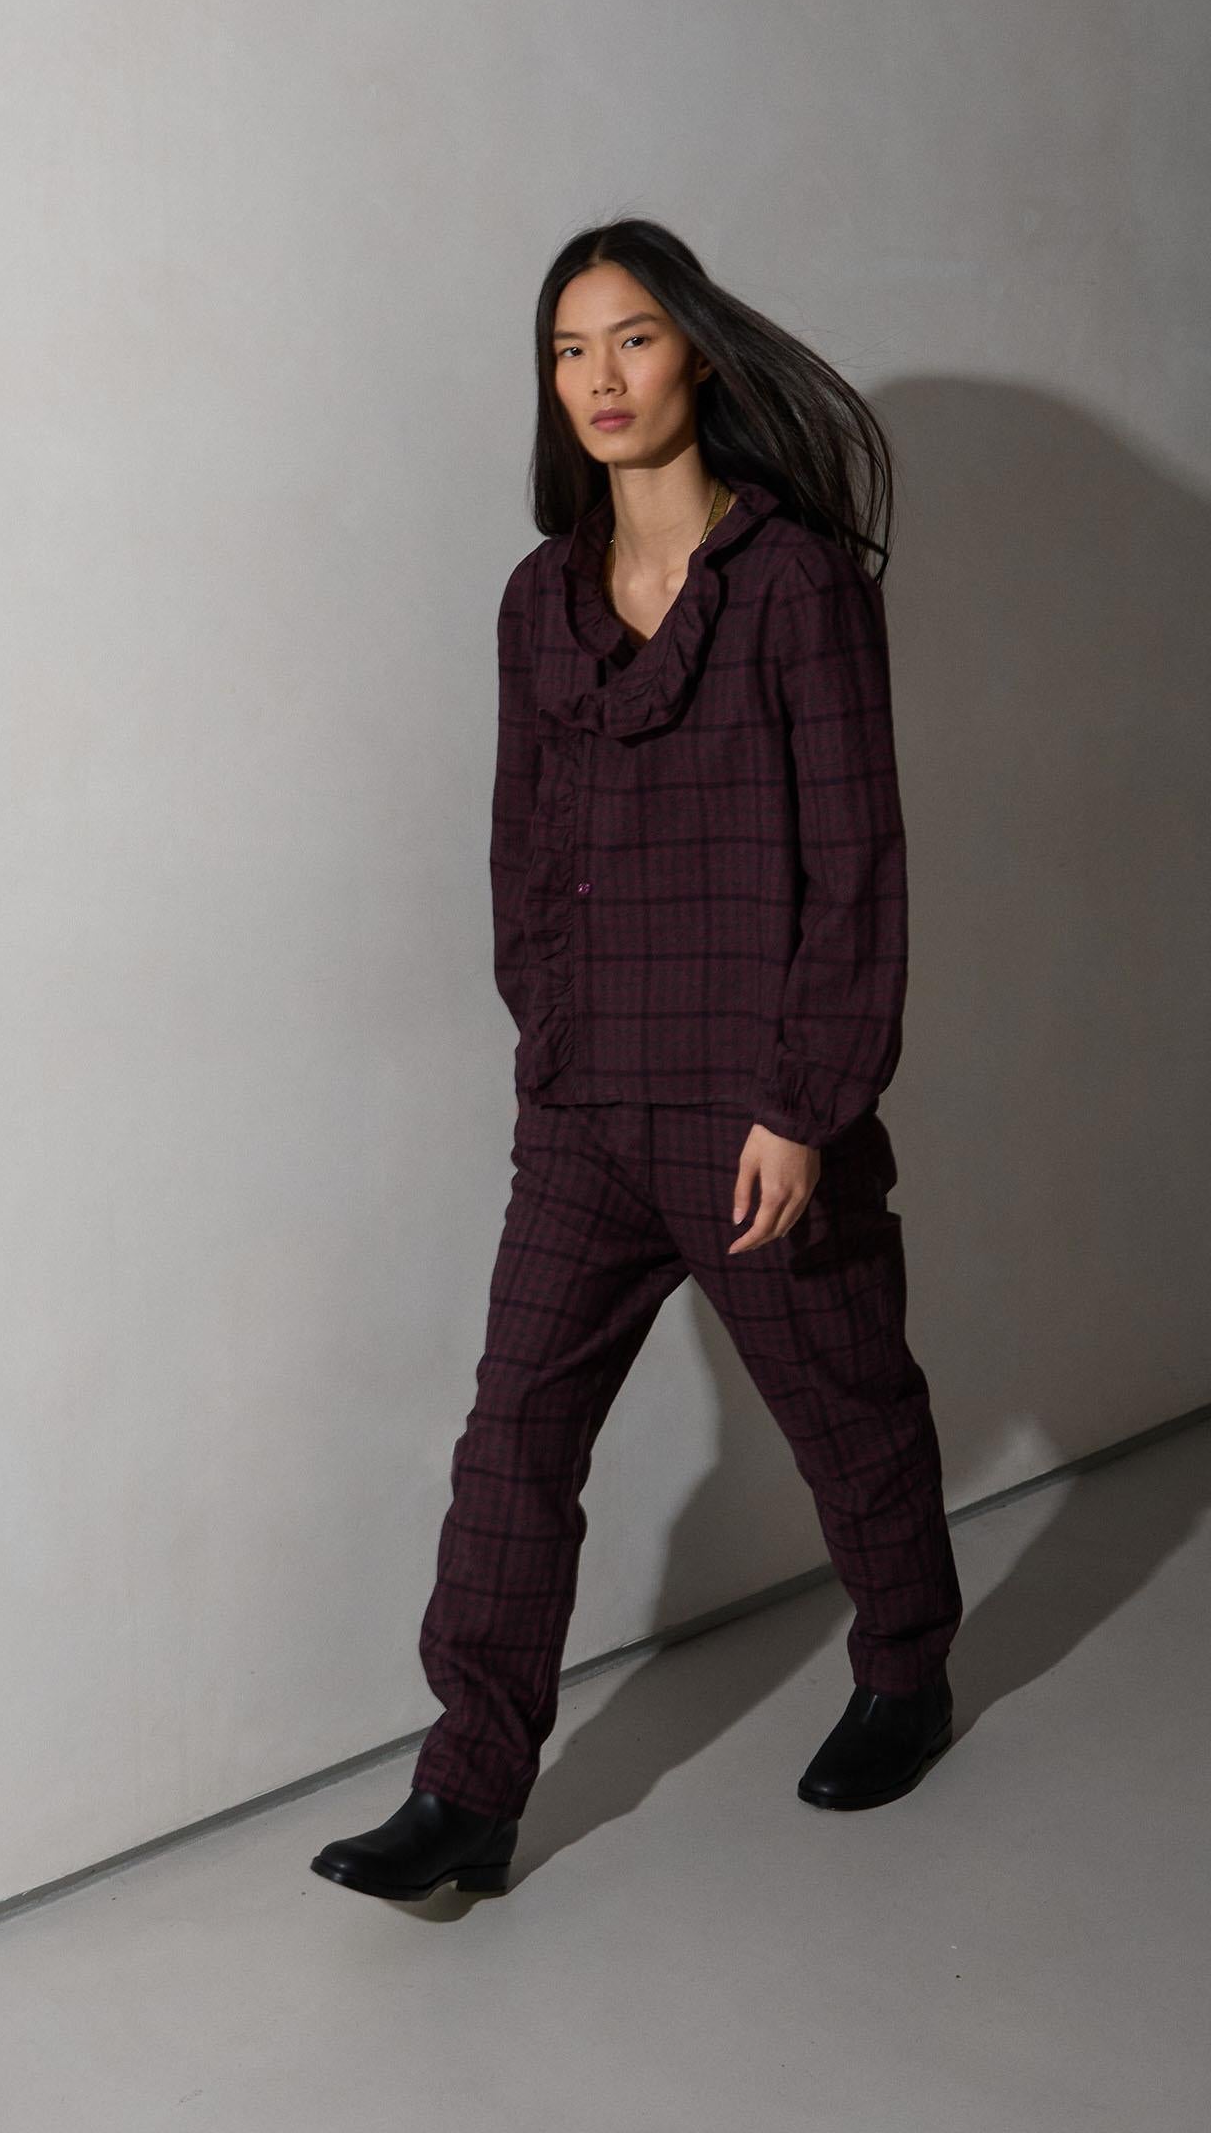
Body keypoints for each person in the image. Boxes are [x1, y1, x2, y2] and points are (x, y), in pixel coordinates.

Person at [311, 218, 963, 1905]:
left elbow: (859, 865)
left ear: (699, 355)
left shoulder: (796, 585)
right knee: (513, 1438)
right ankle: (467, 1789)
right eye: (568, 351)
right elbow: (521, 847)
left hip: (757, 1111)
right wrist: (551, 1033)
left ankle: (906, 1668)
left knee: (847, 1410)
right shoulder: (539, 599)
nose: (599, 378)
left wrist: (806, 1105)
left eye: (633, 340)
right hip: (587, 1106)